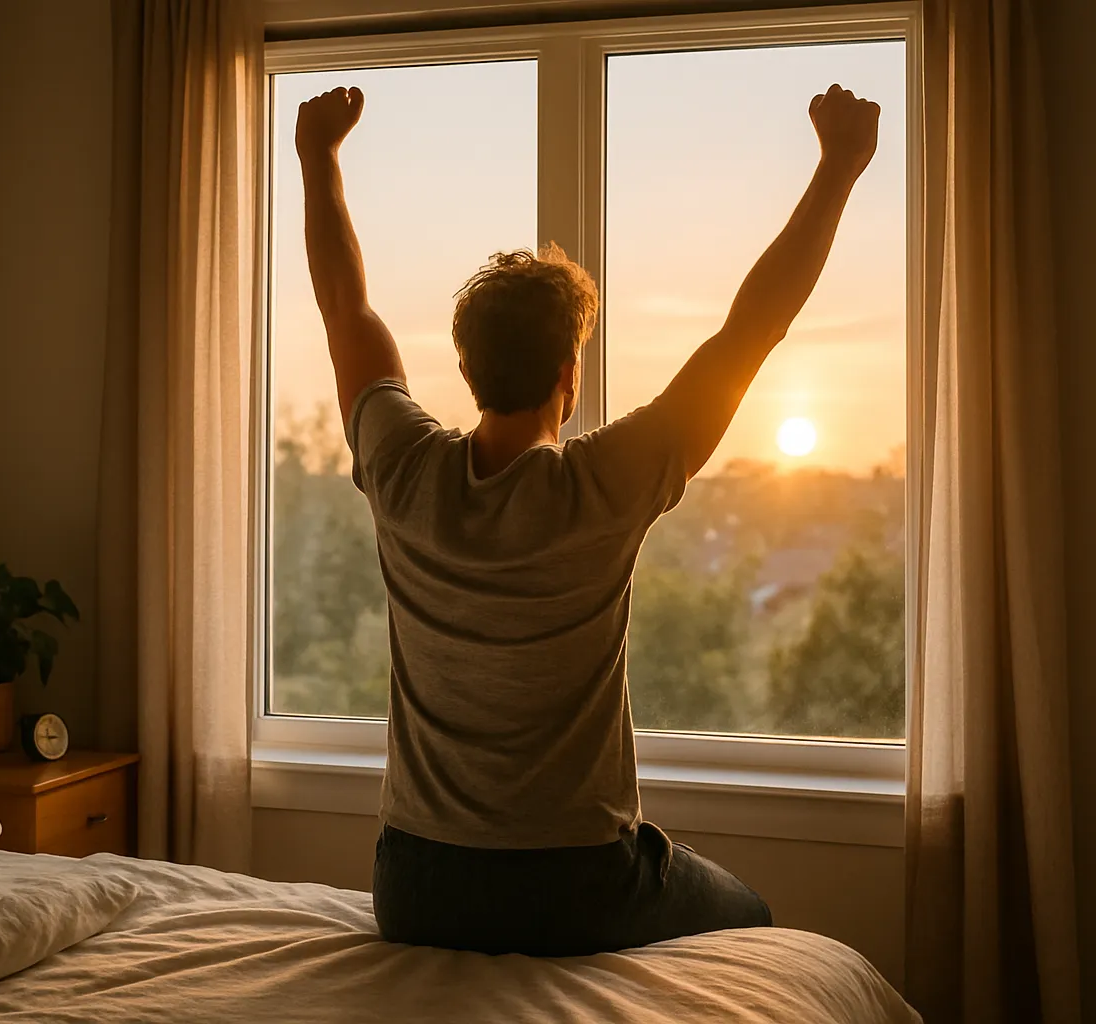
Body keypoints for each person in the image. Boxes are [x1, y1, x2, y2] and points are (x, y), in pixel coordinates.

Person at [294, 82, 880, 957]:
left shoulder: (403, 466)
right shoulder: (603, 484)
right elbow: (750, 331)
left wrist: (318, 157)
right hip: (572, 887)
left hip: (415, 886)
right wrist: (838, 168)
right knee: (755, 925)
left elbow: (346, 309)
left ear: (468, 368)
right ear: (570, 373)